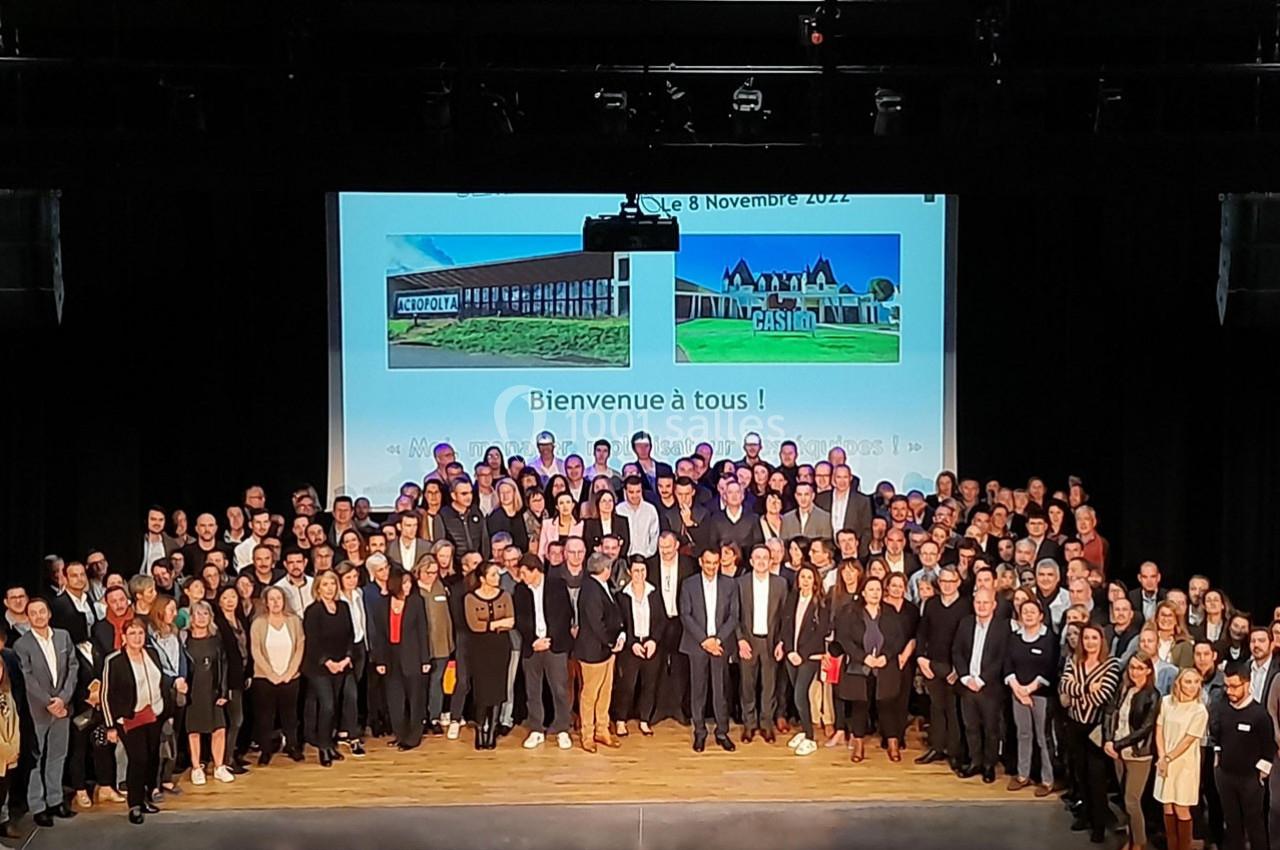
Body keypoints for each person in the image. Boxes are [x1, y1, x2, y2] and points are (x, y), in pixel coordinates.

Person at [13, 597, 78, 826]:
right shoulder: (22, 645)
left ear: (49, 613)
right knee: (36, 759)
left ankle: (55, 800)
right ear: (28, 617)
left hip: (63, 708)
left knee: (58, 756)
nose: (39, 616)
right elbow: (27, 678)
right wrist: (49, 701)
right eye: (34, 613)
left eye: (42, 611)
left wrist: (63, 699)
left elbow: (73, 667)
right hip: (38, 711)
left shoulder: (63, 636)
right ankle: (38, 805)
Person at [830, 576, 908, 764]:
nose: (875, 593)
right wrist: (864, 658)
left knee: (887, 705)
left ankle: (892, 744)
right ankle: (858, 744)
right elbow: (844, 639)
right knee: (860, 706)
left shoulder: (890, 612)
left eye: (878, 590)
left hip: (884, 666)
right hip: (859, 666)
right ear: (863, 593)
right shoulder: (850, 612)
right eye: (871, 590)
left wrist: (885, 656)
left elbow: (898, 638)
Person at [1060, 622, 1123, 843]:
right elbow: (1065, 686)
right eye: (1086, 638)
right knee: (1081, 774)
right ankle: (1085, 815)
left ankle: (1099, 824)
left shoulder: (1111, 665)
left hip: (1096, 729)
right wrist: (1087, 688)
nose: (1089, 642)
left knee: (1096, 777)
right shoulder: (1073, 661)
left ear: (1101, 640)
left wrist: (1077, 691)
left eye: (1094, 638)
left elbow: (1103, 695)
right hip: (1075, 725)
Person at [100, 617, 167, 825]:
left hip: (154, 714)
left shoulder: (153, 654)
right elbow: (105, 695)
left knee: (152, 758)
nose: (137, 638)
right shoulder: (115, 661)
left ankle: (145, 797)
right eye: (132, 634)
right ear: (124, 637)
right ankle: (135, 804)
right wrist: (111, 726)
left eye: (140, 633)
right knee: (138, 760)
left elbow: (161, 681)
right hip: (129, 718)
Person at [680, 547, 740, 753]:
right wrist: (705, 641)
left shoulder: (730, 584)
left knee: (721, 690)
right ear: (701, 562)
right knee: (698, 690)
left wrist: (717, 640)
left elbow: (733, 616)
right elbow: (685, 615)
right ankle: (699, 732)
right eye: (708, 563)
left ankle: (722, 732)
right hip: (697, 645)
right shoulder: (689, 585)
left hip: (720, 646)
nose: (712, 567)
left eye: (716, 563)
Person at [512, 555, 573, 750]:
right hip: (532, 647)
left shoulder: (557, 586)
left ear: (535, 570)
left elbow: (565, 615)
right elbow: (520, 620)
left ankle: (563, 729)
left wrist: (550, 640)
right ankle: (536, 729)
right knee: (533, 690)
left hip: (554, 646)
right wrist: (533, 641)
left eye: (524, 573)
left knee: (560, 689)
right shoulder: (520, 590)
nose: (521, 577)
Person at [1210, 663, 1272, 850]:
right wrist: (1217, 760)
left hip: (1250, 780)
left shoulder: (1259, 714)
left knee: (1255, 826)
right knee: (1232, 825)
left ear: (1247, 684)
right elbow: (1217, 735)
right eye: (1227, 686)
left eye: (1234, 686)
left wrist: (1261, 773)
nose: (1230, 691)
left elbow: (1268, 747)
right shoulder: (1222, 708)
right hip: (1226, 776)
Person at [952, 588, 1012, 782]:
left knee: (991, 729)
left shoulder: (1003, 628)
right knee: (971, 727)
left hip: (990, 688)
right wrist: (965, 678)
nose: (982, 606)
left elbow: (1001, 658)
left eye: (986, 603)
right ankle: (975, 762)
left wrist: (981, 679)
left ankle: (989, 765)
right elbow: (957, 652)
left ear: (994, 605)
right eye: (978, 602)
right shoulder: (965, 623)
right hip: (967, 685)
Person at [1103, 652, 1161, 850]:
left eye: (1139, 668)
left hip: (1138, 754)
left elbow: (1145, 728)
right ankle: (1131, 839)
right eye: (1132, 667)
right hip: (1117, 752)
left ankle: (1140, 842)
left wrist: (1118, 744)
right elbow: (1110, 713)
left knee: (1132, 800)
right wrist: (1109, 740)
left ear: (1148, 670)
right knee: (1125, 799)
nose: (1135, 672)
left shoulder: (1152, 695)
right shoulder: (1124, 689)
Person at [370, 569, 430, 752]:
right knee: (395, 699)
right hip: (390, 656)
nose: (408, 586)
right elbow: (379, 635)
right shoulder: (382, 604)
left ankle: (413, 737)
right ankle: (400, 734)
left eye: (409, 583)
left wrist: (425, 659)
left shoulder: (416, 602)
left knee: (415, 698)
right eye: (404, 583)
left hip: (412, 655)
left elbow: (422, 631)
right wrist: (380, 660)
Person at [914, 566, 967, 769]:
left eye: (950, 581)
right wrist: (920, 658)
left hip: (954, 667)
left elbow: (968, 640)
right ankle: (937, 747)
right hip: (932, 665)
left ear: (958, 583)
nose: (946, 585)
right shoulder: (932, 604)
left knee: (953, 710)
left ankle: (954, 752)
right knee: (936, 707)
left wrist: (959, 669)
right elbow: (922, 633)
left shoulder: (965, 606)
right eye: (943, 581)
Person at [1004, 597, 1059, 795]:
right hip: (1017, 693)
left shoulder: (1049, 638)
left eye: (1032, 612)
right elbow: (1008, 664)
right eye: (1024, 611)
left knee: (1043, 738)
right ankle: (1022, 775)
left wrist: (1029, 689)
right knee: (1023, 734)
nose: (1027, 615)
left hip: (1041, 695)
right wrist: (1017, 688)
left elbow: (1050, 667)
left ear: (1041, 616)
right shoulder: (1014, 637)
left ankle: (1047, 779)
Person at [735, 544, 786, 744]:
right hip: (748, 641)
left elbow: (784, 616)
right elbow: (735, 615)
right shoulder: (741, 584)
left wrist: (781, 642)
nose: (762, 561)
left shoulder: (780, 584)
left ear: (771, 560)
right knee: (747, 685)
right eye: (758, 557)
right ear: (751, 561)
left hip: (771, 642)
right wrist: (740, 640)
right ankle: (749, 725)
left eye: (766, 557)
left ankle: (766, 725)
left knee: (769, 686)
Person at [1154, 668, 1209, 850]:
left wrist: (1168, 758)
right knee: (1167, 806)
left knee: (1181, 808)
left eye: (1196, 682)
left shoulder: (1199, 710)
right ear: (1179, 683)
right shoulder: (1167, 702)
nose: (1192, 686)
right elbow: (1159, 728)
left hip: (1184, 765)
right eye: (1188, 682)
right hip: (1165, 762)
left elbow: (1187, 741)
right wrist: (1162, 756)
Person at [302, 572, 353, 766]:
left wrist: (347, 658)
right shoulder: (313, 611)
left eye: (333, 583)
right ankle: (323, 747)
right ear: (318, 588)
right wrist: (328, 662)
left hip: (341, 665)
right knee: (327, 705)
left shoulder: (343, 607)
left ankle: (330, 745)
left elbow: (350, 635)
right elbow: (313, 642)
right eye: (325, 584)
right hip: (319, 667)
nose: (330, 587)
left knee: (335, 706)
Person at [249, 586, 304, 765]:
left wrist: (290, 672)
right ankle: (265, 750)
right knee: (265, 716)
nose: (275, 602)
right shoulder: (258, 623)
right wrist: (271, 674)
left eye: (278, 598)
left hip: (290, 677)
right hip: (265, 678)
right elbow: (256, 650)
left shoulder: (294, 621)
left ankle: (293, 746)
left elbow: (300, 646)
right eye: (271, 599)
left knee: (290, 715)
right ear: (265, 602)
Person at [575, 552, 624, 753]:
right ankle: (587, 734)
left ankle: (602, 729)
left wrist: (618, 635)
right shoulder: (590, 590)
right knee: (590, 694)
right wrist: (611, 641)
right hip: (593, 651)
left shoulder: (602, 586)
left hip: (606, 650)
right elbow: (596, 623)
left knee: (605, 691)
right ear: (605, 569)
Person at [463, 563, 515, 750]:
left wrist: (489, 624)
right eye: (493, 575)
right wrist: (496, 624)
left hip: (500, 647)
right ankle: (480, 730)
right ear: (482, 578)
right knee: (481, 690)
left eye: (498, 574)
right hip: (479, 648)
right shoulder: (470, 598)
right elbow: (474, 625)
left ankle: (492, 731)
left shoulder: (505, 596)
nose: (497, 578)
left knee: (498, 689)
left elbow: (511, 621)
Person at [613, 558, 667, 739]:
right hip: (631, 647)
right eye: (636, 571)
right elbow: (620, 624)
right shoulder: (622, 595)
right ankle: (621, 720)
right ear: (629, 572)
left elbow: (661, 621)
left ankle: (645, 719)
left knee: (649, 685)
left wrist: (653, 641)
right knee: (627, 685)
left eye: (643, 571)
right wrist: (632, 643)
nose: (640, 575)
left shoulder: (654, 593)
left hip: (651, 645)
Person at [183, 600, 234, 785]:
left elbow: (224, 666)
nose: (202, 618)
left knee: (219, 728)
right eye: (198, 614)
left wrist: (223, 691)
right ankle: (197, 768)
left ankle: (219, 766)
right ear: (191, 618)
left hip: (213, 689)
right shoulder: (185, 641)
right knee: (194, 730)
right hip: (193, 691)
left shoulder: (216, 640)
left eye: (205, 614)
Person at [780, 564, 828, 757]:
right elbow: (785, 625)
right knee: (797, 695)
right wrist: (790, 650)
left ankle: (810, 737)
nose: (805, 581)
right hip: (791, 655)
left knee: (800, 695)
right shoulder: (792, 599)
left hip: (809, 656)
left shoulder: (821, 604)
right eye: (802, 577)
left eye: (809, 577)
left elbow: (820, 633)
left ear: (815, 580)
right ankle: (804, 730)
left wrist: (801, 653)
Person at [211, 585, 249, 773]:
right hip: (229, 679)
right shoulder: (218, 624)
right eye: (225, 597)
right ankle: (226, 759)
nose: (230, 600)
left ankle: (232, 754)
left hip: (241, 676)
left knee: (239, 719)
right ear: (219, 601)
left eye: (233, 596)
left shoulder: (241, 620)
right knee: (235, 720)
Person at [0, 650, 19, 838]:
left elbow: (13, 722)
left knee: (3, 794)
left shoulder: (6, 694)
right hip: (1, 753)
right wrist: (5, 750)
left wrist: (14, 747)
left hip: (8, 755)